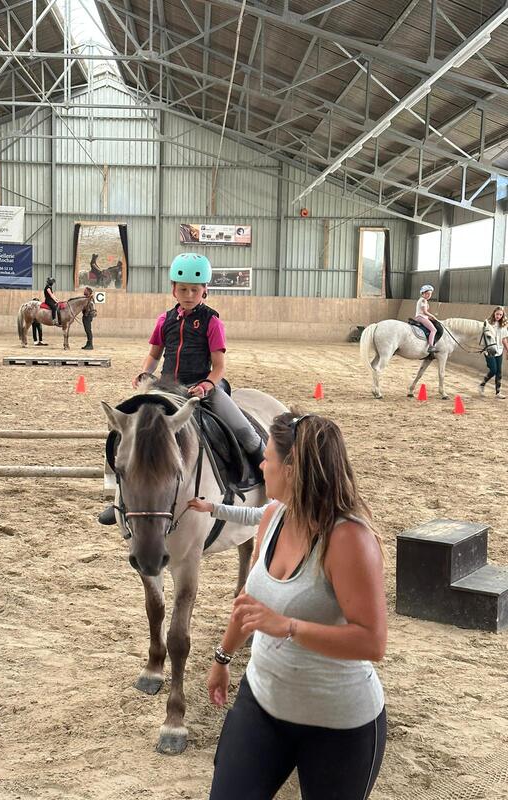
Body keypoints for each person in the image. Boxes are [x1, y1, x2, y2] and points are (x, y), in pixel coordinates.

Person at [207, 412, 387, 800]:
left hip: (337, 723)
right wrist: (223, 658)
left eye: (267, 458)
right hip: (262, 701)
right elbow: (249, 601)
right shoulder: (273, 516)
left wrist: (288, 626)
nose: (261, 466)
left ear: (292, 469)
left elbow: (372, 642)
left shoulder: (348, 539)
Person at [97, 253, 264, 527]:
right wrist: (144, 372)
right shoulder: (165, 320)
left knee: (243, 429)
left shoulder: (212, 322)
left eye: (194, 290)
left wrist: (207, 384)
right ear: (173, 289)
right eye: (183, 289)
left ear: (205, 290)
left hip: (203, 388)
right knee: (123, 428)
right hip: (166, 387)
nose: (188, 295)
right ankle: (119, 496)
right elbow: (154, 355)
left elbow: (219, 366)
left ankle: (266, 478)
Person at [479, 306, 508, 399]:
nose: (498, 316)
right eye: (497, 314)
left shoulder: (504, 325)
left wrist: (507, 349)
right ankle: (482, 384)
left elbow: (504, 339)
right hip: (490, 350)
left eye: (500, 315)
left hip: (499, 350)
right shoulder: (488, 323)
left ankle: (498, 392)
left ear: (502, 315)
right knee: (493, 370)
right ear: (494, 313)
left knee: (499, 372)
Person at [187, 497, 268, 527]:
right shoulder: (273, 509)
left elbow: (250, 516)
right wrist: (210, 507)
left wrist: (209, 507)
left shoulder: (273, 510)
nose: (262, 466)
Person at [414, 284, 438, 353]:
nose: (429, 295)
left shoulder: (422, 300)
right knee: (434, 330)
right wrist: (432, 316)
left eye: (430, 294)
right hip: (421, 317)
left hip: (421, 317)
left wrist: (429, 318)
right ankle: (431, 346)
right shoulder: (423, 300)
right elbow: (424, 312)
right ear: (422, 293)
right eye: (427, 294)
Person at [81, 286, 96, 350]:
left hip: (88, 316)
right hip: (85, 315)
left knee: (88, 330)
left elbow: (91, 307)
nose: (84, 291)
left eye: (85, 290)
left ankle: (90, 345)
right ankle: (88, 344)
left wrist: (88, 313)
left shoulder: (90, 299)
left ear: (88, 292)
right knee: (87, 330)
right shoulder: (87, 298)